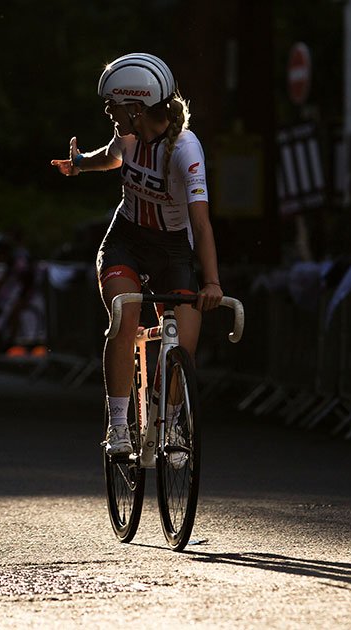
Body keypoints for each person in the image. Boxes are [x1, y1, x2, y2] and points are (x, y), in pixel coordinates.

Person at [50, 53, 223, 455]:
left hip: (172, 248)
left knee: (186, 340)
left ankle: (171, 420)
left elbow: (201, 225)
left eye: (112, 104)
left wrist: (212, 282)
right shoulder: (128, 136)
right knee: (125, 316)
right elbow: (111, 157)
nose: (108, 111)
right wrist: (79, 164)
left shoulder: (185, 149)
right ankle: (118, 426)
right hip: (126, 240)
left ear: (135, 106)